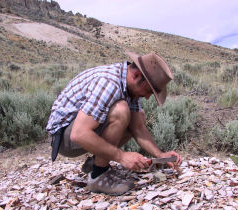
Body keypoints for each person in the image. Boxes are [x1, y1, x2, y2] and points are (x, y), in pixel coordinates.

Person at [46, 51, 182, 195]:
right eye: (148, 91)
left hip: (78, 130)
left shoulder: (129, 85)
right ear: (136, 76)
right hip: (63, 138)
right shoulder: (108, 83)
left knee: (138, 116)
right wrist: (122, 156)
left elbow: (138, 128)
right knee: (121, 110)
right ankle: (98, 177)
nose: (148, 97)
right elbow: (79, 134)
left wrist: (160, 155)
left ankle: (96, 163)